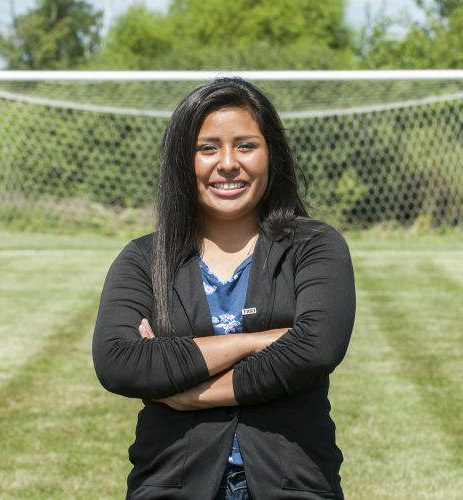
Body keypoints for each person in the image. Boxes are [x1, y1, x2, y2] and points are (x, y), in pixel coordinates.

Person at [92, 77, 356, 500]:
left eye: (246, 145)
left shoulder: (315, 245)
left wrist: (194, 394)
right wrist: (257, 341)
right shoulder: (144, 258)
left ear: (272, 155)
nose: (228, 162)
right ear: (183, 160)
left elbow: (316, 348)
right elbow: (120, 362)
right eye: (207, 148)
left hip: (295, 484)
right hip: (169, 484)